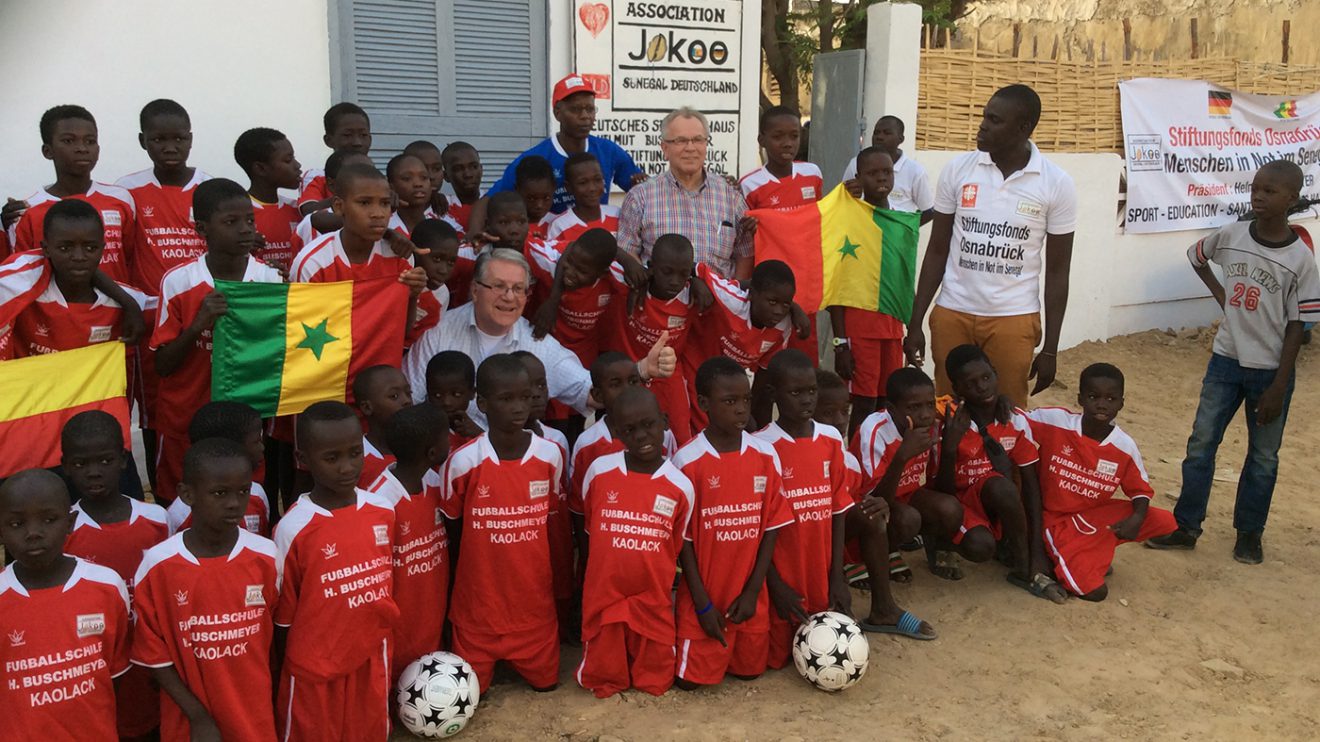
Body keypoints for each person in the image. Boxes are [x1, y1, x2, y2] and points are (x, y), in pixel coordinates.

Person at [1147, 159, 1320, 563]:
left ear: (1292, 199)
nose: (1259, 195)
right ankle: (1187, 527)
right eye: (1256, 188)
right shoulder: (1232, 234)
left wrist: (1280, 384)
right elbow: (1197, 257)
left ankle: (1249, 534)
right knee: (1201, 445)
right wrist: (1222, 297)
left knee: (1262, 457)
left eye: (1270, 191)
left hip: (1270, 373)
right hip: (1225, 362)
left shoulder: (1300, 259)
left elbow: (1299, 326)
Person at [905, 84, 1077, 408]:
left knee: (1007, 415)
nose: (982, 125)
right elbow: (937, 250)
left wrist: (1050, 347)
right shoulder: (958, 170)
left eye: (995, 120)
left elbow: (1057, 271)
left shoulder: (1056, 184)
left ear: (1023, 128)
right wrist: (916, 322)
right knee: (947, 409)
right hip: (953, 311)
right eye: (985, 116)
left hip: (1014, 318)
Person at [404, 248, 676, 425]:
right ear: (475, 290)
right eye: (498, 286)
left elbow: (590, 392)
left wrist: (642, 371)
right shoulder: (439, 334)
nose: (509, 297)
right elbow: (410, 403)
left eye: (518, 289)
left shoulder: (537, 342)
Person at [131, 438, 279, 742]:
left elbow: (273, 631)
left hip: (254, 714)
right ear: (187, 494)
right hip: (190, 720)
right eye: (219, 493)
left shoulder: (266, 555)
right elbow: (152, 654)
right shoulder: (158, 565)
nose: (234, 503)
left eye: (243, 491)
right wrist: (197, 715)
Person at [151, 178, 284, 503]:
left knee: (244, 503)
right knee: (182, 504)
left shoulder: (269, 279)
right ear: (202, 228)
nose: (245, 229)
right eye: (231, 222)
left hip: (244, 420)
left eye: (250, 220)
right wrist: (197, 326)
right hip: (186, 416)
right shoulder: (180, 281)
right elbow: (162, 364)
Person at [274, 401, 398, 742]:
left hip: (372, 655)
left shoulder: (382, 510)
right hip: (313, 668)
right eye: (332, 458)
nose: (347, 467)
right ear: (303, 460)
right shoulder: (293, 528)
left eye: (354, 453)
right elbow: (283, 612)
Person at [440, 354, 564, 691]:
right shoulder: (464, 462)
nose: (518, 407)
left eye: (525, 397)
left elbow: (550, 519)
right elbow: (452, 527)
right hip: (478, 608)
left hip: (533, 608)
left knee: (546, 685)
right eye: (506, 399)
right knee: (471, 694)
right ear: (482, 402)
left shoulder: (550, 455)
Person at [670, 357, 795, 688]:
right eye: (730, 401)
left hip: (750, 599)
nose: (741, 409)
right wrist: (701, 604)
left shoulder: (765, 455)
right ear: (704, 404)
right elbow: (683, 541)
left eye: (745, 400)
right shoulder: (686, 462)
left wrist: (754, 591)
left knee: (750, 673)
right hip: (705, 599)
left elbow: (771, 528)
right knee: (690, 683)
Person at [572, 387, 693, 698]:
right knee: (602, 677)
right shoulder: (599, 472)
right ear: (618, 431)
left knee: (655, 681)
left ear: (664, 422)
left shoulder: (680, 486)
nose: (641, 435)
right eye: (630, 429)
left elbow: (675, 541)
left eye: (649, 424)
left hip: (653, 597)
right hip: (604, 595)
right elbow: (591, 527)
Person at [0, 469, 131, 741]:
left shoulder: (106, 585)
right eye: (16, 524)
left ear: (71, 523)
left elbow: (113, 674)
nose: (33, 533)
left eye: (49, 520)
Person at [61, 410, 169, 740]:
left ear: (123, 460)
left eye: (105, 461)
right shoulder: (64, 530)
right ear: (66, 466)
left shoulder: (157, 520)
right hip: (94, 668)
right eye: (81, 464)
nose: (94, 472)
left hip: (154, 667)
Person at [1028, 364, 1176, 599]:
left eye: (1110, 398)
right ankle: (1073, 556)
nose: (1102, 404)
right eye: (1093, 396)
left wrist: (1137, 518)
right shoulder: (1056, 422)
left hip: (1092, 515)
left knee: (1165, 521)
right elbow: (1015, 421)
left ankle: (1092, 552)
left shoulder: (1124, 445)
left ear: (1121, 403)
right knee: (1095, 592)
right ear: (1080, 399)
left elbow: (1140, 491)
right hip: (1054, 519)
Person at [939, 344, 1066, 602]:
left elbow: (1031, 486)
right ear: (957, 389)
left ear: (996, 374)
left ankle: (1025, 567)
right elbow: (939, 489)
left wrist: (1037, 551)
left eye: (986, 377)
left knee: (1002, 486)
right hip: (955, 503)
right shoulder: (947, 420)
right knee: (980, 547)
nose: (982, 387)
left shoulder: (1014, 418)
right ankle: (940, 545)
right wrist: (950, 448)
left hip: (993, 500)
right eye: (970, 383)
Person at [817, 369, 937, 637]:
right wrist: (901, 457)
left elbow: (859, 504)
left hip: (835, 537)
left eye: (844, 412)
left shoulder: (845, 460)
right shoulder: (778, 453)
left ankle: (884, 609)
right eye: (828, 413)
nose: (840, 422)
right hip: (802, 543)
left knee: (875, 512)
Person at [753, 350, 852, 666]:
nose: (806, 400)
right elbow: (756, 527)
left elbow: (838, 511)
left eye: (811, 391)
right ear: (774, 394)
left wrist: (838, 575)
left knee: (824, 648)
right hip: (781, 577)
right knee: (777, 659)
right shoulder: (760, 446)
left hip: (819, 573)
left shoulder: (832, 439)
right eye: (796, 393)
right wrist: (775, 584)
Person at [476, 74, 644, 227]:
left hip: (596, 240)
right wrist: (474, 233)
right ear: (558, 112)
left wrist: (642, 184)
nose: (585, 116)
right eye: (576, 109)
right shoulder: (536, 157)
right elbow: (489, 200)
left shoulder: (608, 151)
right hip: (550, 241)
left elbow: (640, 189)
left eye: (590, 109)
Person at [855, 368, 965, 583]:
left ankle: (893, 548)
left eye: (930, 405)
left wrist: (949, 448)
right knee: (908, 519)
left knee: (950, 508)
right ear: (891, 409)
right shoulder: (874, 429)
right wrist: (902, 455)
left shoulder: (930, 423)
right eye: (914, 407)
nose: (925, 414)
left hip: (906, 494)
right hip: (869, 501)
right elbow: (873, 498)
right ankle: (861, 556)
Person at [619, 107, 753, 280]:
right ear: (665, 148)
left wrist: (733, 294)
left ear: (706, 145)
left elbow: (745, 251)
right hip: (661, 304)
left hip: (717, 304)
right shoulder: (640, 197)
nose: (690, 148)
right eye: (680, 141)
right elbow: (626, 249)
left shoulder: (731, 196)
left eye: (698, 140)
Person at [5, 105, 135, 284]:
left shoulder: (120, 198)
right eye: (68, 141)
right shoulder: (28, 210)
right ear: (47, 151)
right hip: (55, 310)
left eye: (90, 141)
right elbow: (22, 276)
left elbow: (130, 258)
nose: (82, 148)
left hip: (117, 307)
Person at [367, 402, 450, 681]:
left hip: (431, 610)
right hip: (398, 626)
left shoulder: (435, 482)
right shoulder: (380, 502)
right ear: (432, 452)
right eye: (446, 436)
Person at [1, 200, 146, 359]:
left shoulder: (126, 302)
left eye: (90, 248)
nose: (79, 257)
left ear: (102, 248)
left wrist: (129, 303)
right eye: (65, 248)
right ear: (46, 249)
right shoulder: (19, 281)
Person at [829, 147, 907, 435]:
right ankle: (856, 467)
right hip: (859, 330)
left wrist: (908, 330)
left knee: (888, 404)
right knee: (863, 404)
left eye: (886, 172)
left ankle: (878, 466)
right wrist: (840, 343)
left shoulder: (900, 223)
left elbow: (902, 280)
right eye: (872, 173)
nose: (881, 178)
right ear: (859, 177)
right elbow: (837, 283)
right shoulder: (850, 222)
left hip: (892, 329)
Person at [602, 233, 709, 441]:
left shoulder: (693, 294)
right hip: (631, 375)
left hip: (669, 377)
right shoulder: (631, 282)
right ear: (650, 266)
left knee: (680, 437)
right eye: (667, 272)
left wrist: (696, 280)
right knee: (625, 437)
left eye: (683, 274)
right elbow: (599, 242)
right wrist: (628, 261)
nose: (674, 281)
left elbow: (745, 289)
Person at [677, 259, 797, 438]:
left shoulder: (784, 325)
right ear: (752, 295)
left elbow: (763, 375)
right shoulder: (731, 300)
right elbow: (693, 267)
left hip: (726, 383)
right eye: (772, 302)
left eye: (785, 305)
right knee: (687, 428)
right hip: (693, 365)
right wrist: (695, 281)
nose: (779, 311)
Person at [511, 350, 576, 642]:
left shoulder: (557, 440)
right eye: (527, 390)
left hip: (555, 536)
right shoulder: (487, 445)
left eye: (541, 385)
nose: (537, 395)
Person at [117, 99, 210, 297]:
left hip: (201, 299)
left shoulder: (208, 187)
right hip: (148, 304)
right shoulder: (127, 189)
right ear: (143, 141)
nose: (170, 148)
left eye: (179, 139)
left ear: (190, 139)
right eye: (159, 140)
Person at [169, 401, 272, 536]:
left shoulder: (257, 494)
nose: (262, 448)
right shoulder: (179, 515)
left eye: (243, 491)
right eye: (256, 441)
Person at [528, 228, 620, 368]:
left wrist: (627, 260)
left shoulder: (616, 276)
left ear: (602, 274)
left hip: (583, 354)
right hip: (542, 343)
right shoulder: (550, 259)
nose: (570, 272)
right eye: (569, 262)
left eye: (581, 271)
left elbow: (650, 278)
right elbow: (517, 239)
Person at [842, 115, 935, 222]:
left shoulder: (915, 171)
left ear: (901, 139)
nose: (879, 137)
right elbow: (844, 197)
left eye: (887, 133)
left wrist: (905, 229)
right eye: (876, 133)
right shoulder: (856, 163)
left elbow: (929, 211)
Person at [234, 126, 304, 267]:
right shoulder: (236, 213)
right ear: (260, 168)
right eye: (288, 160)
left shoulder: (298, 210)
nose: (297, 165)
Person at [739, 106, 823, 210]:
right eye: (777, 137)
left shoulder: (812, 173)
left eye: (794, 136)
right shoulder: (749, 184)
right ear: (762, 140)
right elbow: (742, 222)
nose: (788, 144)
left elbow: (820, 215)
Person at [290, 151, 374, 252]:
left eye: (372, 174)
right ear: (331, 184)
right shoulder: (317, 221)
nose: (367, 181)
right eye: (356, 175)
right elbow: (317, 219)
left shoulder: (383, 211)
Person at [297, 102, 372, 215]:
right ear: (328, 140)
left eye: (363, 135)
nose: (357, 142)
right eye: (347, 135)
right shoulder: (317, 177)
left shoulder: (378, 179)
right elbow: (309, 211)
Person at [353, 364, 413, 487]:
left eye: (408, 393)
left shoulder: (420, 452)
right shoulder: (355, 460)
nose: (407, 400)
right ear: (367, 407)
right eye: (394, 396)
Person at [545, 152, 622, 242]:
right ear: (568, 187)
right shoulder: (560, 226)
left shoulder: (618, 215)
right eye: (583, 183)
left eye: (597, 179)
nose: (592, 188)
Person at [408, 218, 460, 340]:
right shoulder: (397, 279)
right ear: (416, 252)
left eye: (451, 262)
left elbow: (428, 338)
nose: (443, 270)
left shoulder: (441, 294)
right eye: (437, 259)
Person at [424, 350, 483, 451]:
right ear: (428, 393)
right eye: (437, 395)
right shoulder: (422, 431)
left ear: (472, 393)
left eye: (456, 394)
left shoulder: (476, 429)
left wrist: (479, 434)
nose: (447, 402)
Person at [440, 141, 483, 231]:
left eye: (474, 166)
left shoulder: (495, 202)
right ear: (446, 176)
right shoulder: (440, 207)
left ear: (481, 169)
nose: (468, 174)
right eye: (458, 169)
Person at [515, 155, 558, 240]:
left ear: (554, 189)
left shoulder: (559, 224)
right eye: (531, 198)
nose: (539, 205)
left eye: (546, 198)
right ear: (518, 190)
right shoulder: (511, 227)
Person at [402, 139, 448, 217]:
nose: (431, 176)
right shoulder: (390, 208)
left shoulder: (451, 206)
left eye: (436, 169)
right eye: (423, 169)